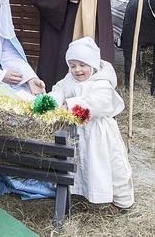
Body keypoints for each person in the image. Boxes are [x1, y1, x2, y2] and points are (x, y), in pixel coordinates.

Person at [47, 37, 134, 212]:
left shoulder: (102, 83)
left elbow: (98, 104)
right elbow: (58, 89)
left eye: (82, 65)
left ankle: (122, 201)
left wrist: (70, 106)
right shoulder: (68, 79)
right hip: (76, 132)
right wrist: (52, 103)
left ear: (93, 65)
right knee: (79, 161)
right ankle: (79, 190)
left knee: (111, 164)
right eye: (72, 65)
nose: (77, 70)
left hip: (98, 133)